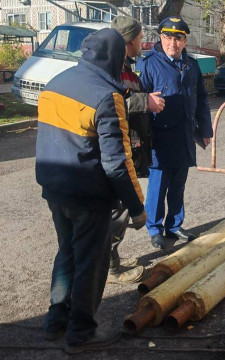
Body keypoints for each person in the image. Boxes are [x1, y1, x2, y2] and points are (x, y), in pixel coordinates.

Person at [36, 28, 146, 354]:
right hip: (88, 197)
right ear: (114, 58)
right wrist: (136, 206)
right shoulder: (106, 97)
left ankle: (55, 320)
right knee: (90, 263)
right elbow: (117, 163)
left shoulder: (54, 84)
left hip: (55, 191)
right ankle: (81, 332)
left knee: (66, 254)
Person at [140, 16, 213, 250]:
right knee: (158, 185)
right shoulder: (149, 63)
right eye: (167, 37)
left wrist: (205, 129)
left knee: (178, 184)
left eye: (178, 38)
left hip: (184, 135)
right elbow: (140, 102)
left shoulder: (191, 64)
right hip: (159, 138)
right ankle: (155, 229)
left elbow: (201, 98)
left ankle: (174, 225)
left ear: (184, 40)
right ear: (160, 38)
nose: (173, 42)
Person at [107, 16, 165, 284]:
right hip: (114, 153)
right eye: (140, 38)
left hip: (127, 147)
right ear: (129, 41)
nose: (143, 42)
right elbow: (109, 103)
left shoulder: (125, 65)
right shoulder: (110, 68)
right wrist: (146, 101)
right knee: (115, 210)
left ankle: (112, 259)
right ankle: (110, 268)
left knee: (119, 209)